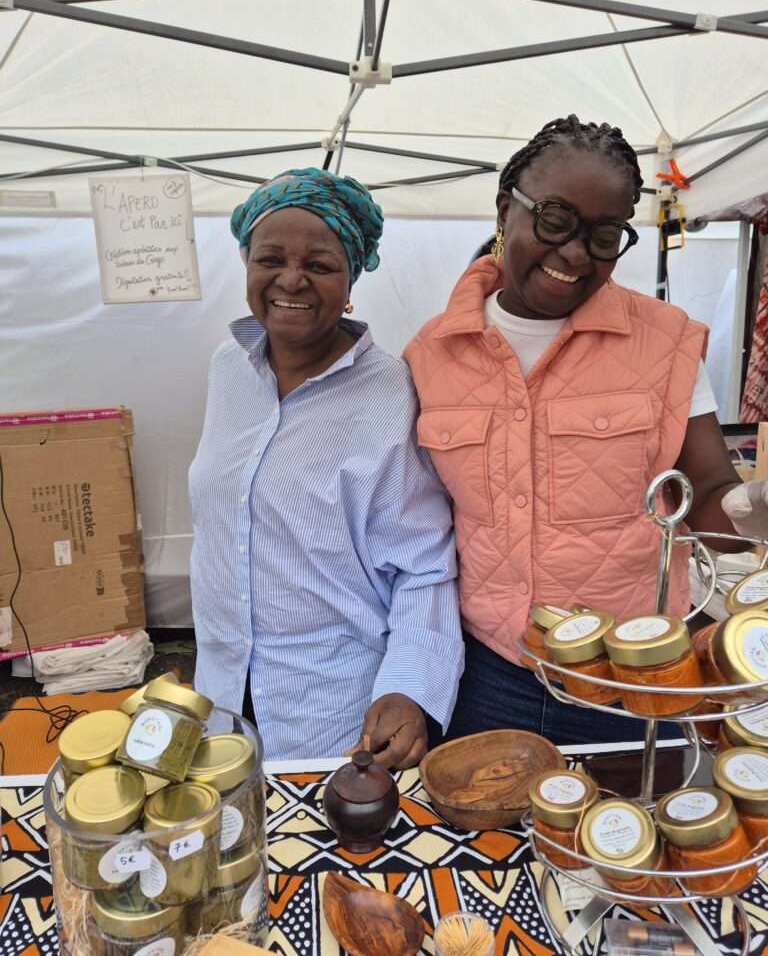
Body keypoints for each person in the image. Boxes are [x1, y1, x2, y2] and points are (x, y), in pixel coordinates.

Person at [404, 115, 768, 746]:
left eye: (604, 236)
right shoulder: (430, 355)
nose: (575, 254)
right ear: (505, 208)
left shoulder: (667, 343)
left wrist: (752, 507)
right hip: (489, 672)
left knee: (638, 810)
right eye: (555, 220)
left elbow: (707, 493)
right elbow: (418, 530)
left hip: (640, 671)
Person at [190, 167, 463, 766]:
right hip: (220, 693)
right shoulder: (227, 370)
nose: (291, 279)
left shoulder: (390, 392)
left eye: (319, 264)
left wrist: (409, 690)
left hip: (335, 708)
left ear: (351, 278)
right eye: (270, 259)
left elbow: (423, 566)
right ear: (246, 264)